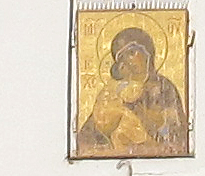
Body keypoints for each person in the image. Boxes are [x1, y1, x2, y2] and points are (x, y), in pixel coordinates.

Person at [75, 25, 187, 158]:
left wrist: (147, 119)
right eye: (122, 58)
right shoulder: (115, 90)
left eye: (132, 53)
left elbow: (177, 135)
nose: (128, 61)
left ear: (148, 53)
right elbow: (88, 136)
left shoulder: (164, 88)